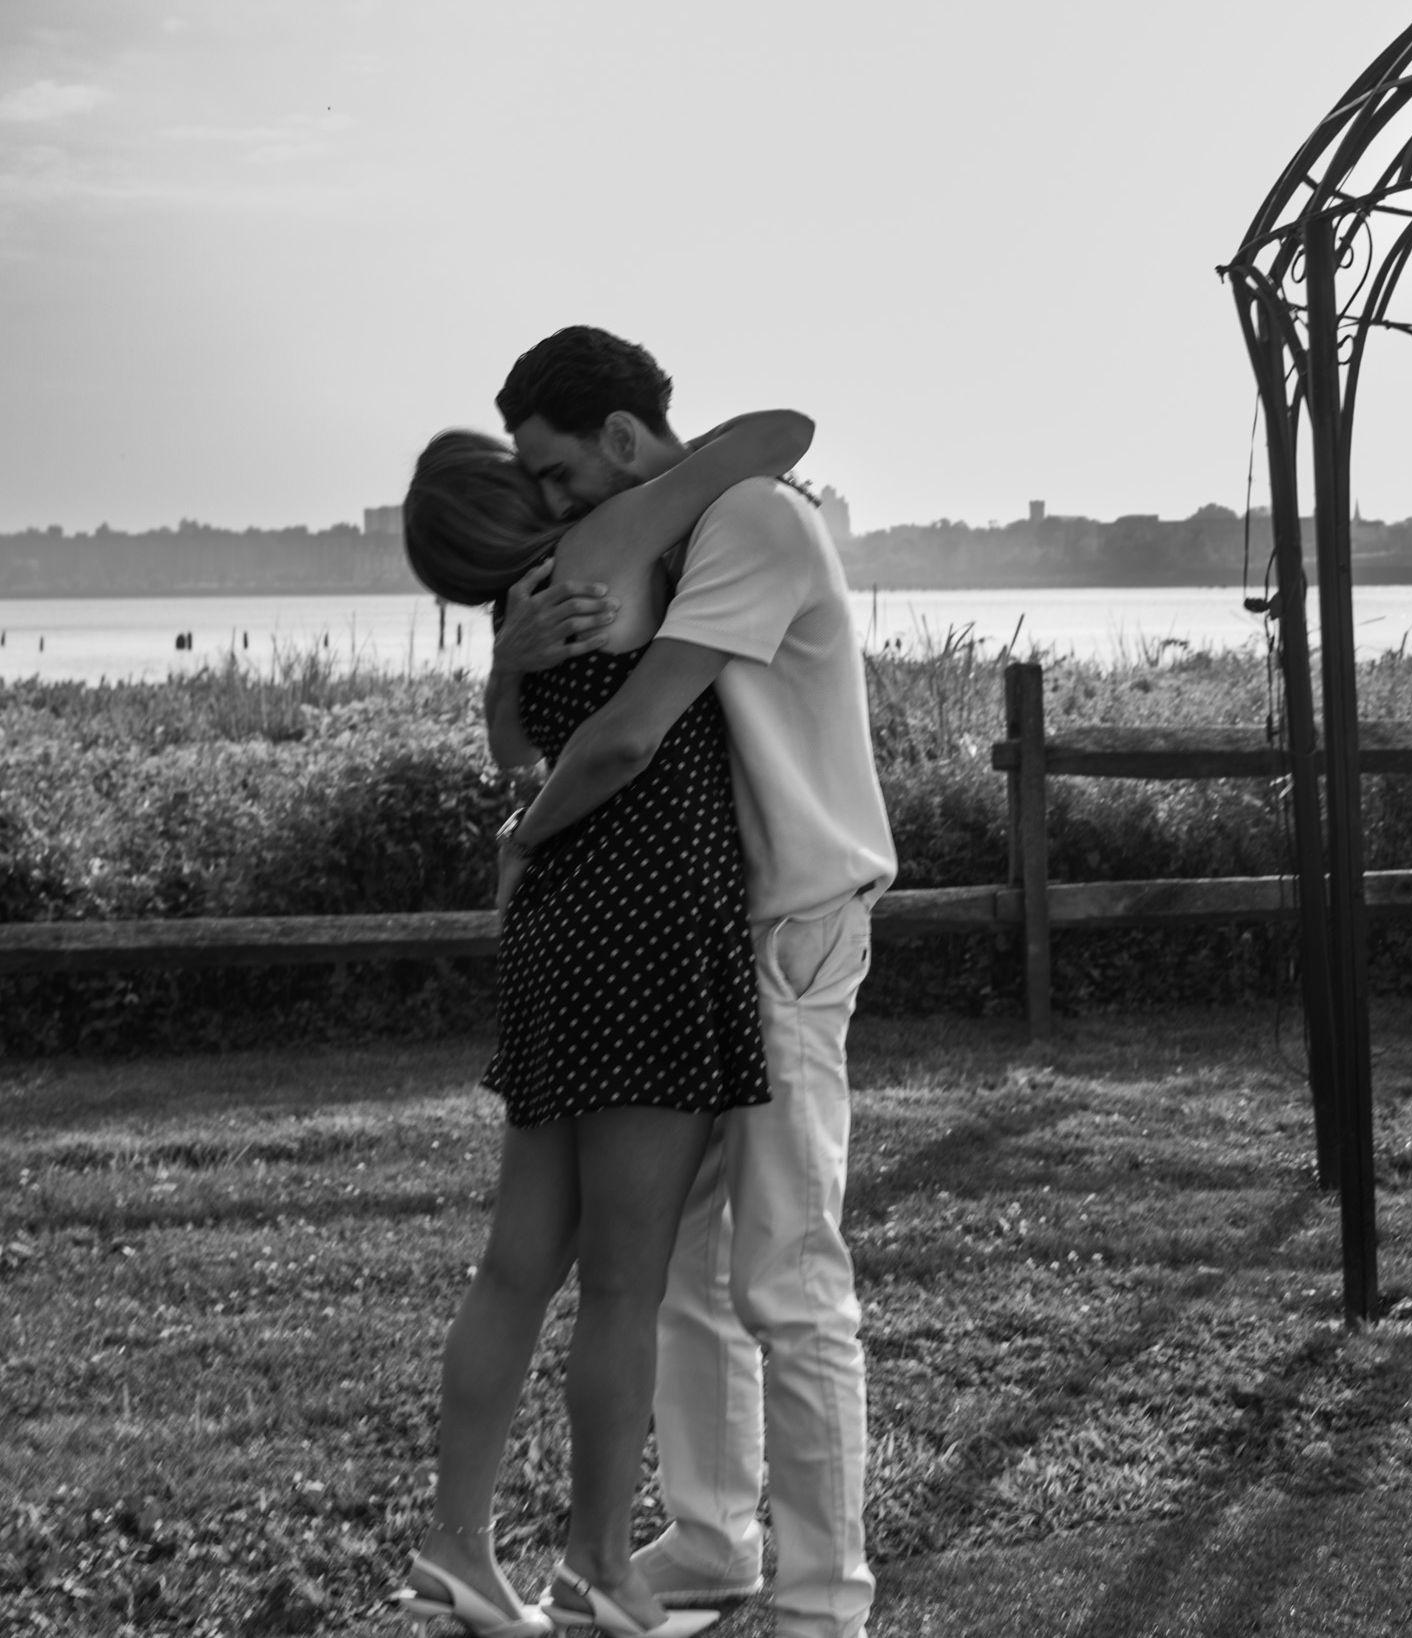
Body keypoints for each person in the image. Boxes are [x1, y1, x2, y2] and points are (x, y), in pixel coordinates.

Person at [487, 326, 897, 1638]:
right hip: (706, 935)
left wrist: (522, 843)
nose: (553, 504)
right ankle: (713, 1542)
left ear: (621, 437)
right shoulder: (673, 534)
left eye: (558, 473)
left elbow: (627, 733)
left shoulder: (751, 523)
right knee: (682, 1272)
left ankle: (823, 1599)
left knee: (784, 1272)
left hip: (789, 927)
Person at [390, 405, 815, 1638]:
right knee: (626, 1286)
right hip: (648, 928)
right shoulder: (610, 541)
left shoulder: (517, 611)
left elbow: (513, 753)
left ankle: (456, 1549)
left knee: (516, 1267)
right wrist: (644, 458)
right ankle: (596, 1566)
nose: (554, 481)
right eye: (532, 470)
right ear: (512, 488)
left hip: (556, 934)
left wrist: (504, 668)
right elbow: (778, 433)